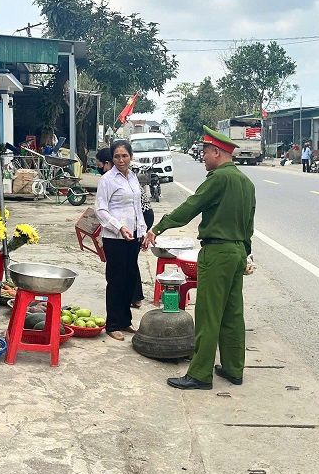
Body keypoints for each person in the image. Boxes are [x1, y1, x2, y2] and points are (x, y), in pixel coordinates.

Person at [144, 126, 256, 390]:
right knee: (232, 313)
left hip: (217, 253)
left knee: (208, 314)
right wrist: (246, 253)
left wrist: (158, 227)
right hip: (237, 251)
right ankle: (233, 368)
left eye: (205, 152)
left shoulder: (218, 179)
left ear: (217, 152)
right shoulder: (246, 182)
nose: (203, 157)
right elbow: (249, 223)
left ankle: (200, 374)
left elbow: (191, 207)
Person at [94, 140, 146, 340]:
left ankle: (125, 321)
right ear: (112, 158)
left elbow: (137, 208)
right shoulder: (107, 180)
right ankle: (113, 323)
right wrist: (119, 227)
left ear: (130, 157)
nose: (121, 160)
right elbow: (101, 210)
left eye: (124, 156)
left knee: (130, 279)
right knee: (116, 280)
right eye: (117, 156)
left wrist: (142, 231)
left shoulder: (132, 177)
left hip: (132, 236)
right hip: (115, 237)